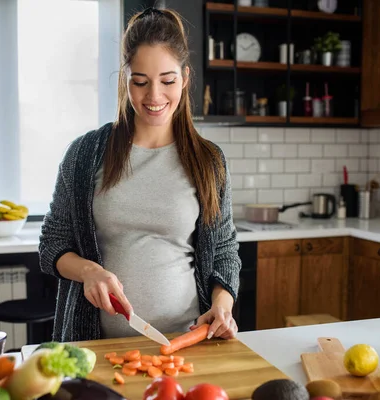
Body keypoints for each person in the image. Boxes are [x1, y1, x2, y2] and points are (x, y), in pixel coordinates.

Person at [39, 6, 241, 343]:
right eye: (140, 82)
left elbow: (224, 251)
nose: (154, 96)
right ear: (125, 80)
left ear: (185, 78)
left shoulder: (209, 162)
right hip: (96, 348)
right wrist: (89, 271)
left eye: (167, 81)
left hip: (186, 344)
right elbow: (52, 245)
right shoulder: (85, 154)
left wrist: (222, 303)